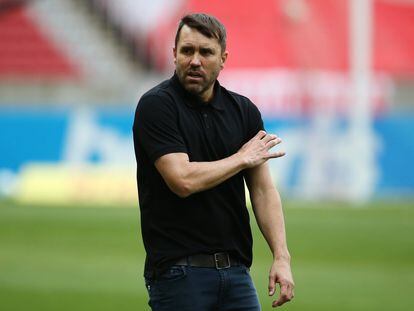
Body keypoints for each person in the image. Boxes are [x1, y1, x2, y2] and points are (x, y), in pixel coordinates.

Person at [133, 13, 294, 310]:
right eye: (187, 51)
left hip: (236, 275)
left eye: (206, 52)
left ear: (223, 59)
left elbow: (263, 191)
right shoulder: (156, 106)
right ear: (174, 55)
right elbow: (182, 180)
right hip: (179, 276)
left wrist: (281, 257)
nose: (195, 60)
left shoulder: (244, 111)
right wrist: (241, 158)